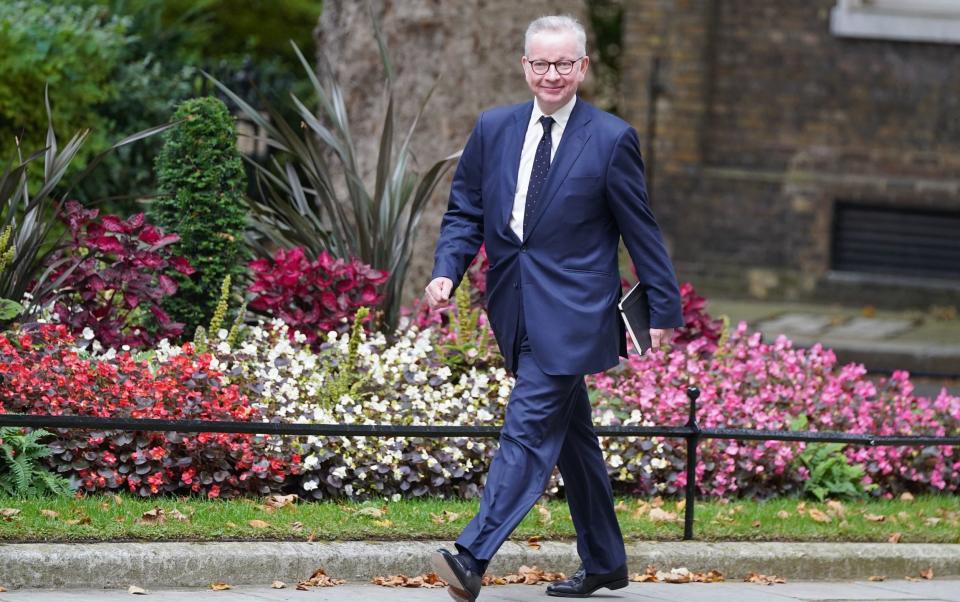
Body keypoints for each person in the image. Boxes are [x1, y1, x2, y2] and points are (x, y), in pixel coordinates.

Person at [424, 14, 683, 601]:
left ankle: (472, 555)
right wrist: (446, 271)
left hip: (575, 312)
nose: (552, 74)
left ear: (583, 67)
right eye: (541, 63)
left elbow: (640, 230)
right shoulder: (494, 128)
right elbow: (465, 211)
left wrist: (661, 312)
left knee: (528, 427)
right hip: (513, 304)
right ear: (524, 67)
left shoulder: (612, 138)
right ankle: (606, 562)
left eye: (564, 63)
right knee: (574, 441)